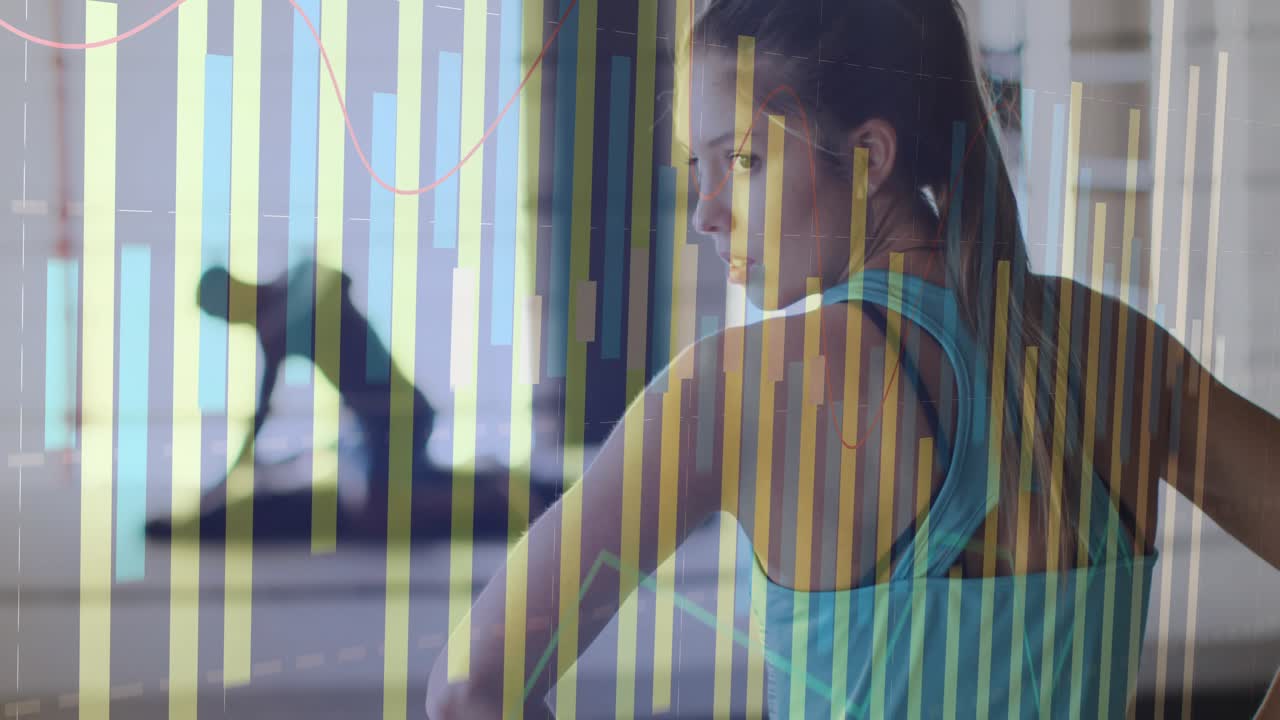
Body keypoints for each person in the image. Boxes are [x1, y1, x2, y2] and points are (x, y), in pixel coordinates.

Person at [426, 0, 1280, 717]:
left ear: (869, 156)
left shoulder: (736, 390)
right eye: (699, 167)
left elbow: (468, 690)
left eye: (743, 160)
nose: (706, 212)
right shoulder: (1118, 351)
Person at [147, 262, 560, 541]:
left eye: (225, 316)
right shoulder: (275, 329)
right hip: (377, 420)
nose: (234, 324)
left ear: (233, 293)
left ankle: (498, 497)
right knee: (393, 493)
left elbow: (339, 281)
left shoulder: (296, 291)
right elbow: (262, 413)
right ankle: (493, 485)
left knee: (381, 513)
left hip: (398, 413)